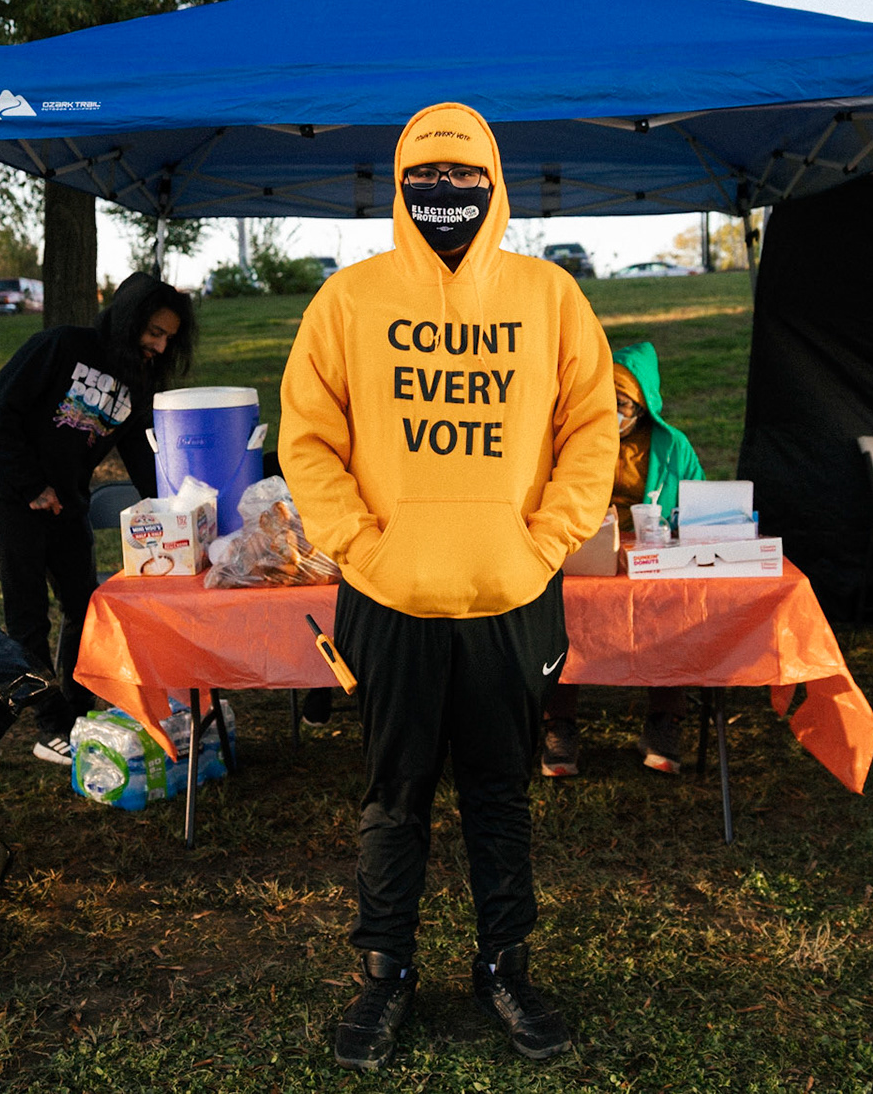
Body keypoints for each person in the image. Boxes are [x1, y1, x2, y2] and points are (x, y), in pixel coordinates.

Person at [281, 102, 617, 1071]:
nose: (445, 195)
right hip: (388, 601)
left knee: (501, 792)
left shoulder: (550, 296)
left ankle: (505, 962)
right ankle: (386, 972)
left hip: (513, 597)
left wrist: (547, 539)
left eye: (464, 178)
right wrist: (361, 545)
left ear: (496, 183)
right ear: (397, 186)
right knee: (394, 795)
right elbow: (308, 436)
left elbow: (595, 426)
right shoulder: (349, 300)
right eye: (424, 178)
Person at [0, 273, 195, 765]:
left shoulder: (138, 376)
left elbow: (140, 449)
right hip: (9, 496)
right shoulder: (60, 345)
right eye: (154, 332)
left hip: (67, 501)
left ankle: (75, 713)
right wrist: (32, 486)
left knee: (85, 607)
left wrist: (173, 505)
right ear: (130, 319)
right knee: (28, 618)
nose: (159, 345)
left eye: (168, 339)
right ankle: (48, 726)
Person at [540, 339, 705, 778]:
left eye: (622, 402)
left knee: (674, 609)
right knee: (560, 612)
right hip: (584, 553)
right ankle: (559, 725)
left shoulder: (673, 448)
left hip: (653, 556)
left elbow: (699, 503)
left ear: (643, 405)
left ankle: (665, 721)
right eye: (604, 399)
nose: (611, 410)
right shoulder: (570, 440)